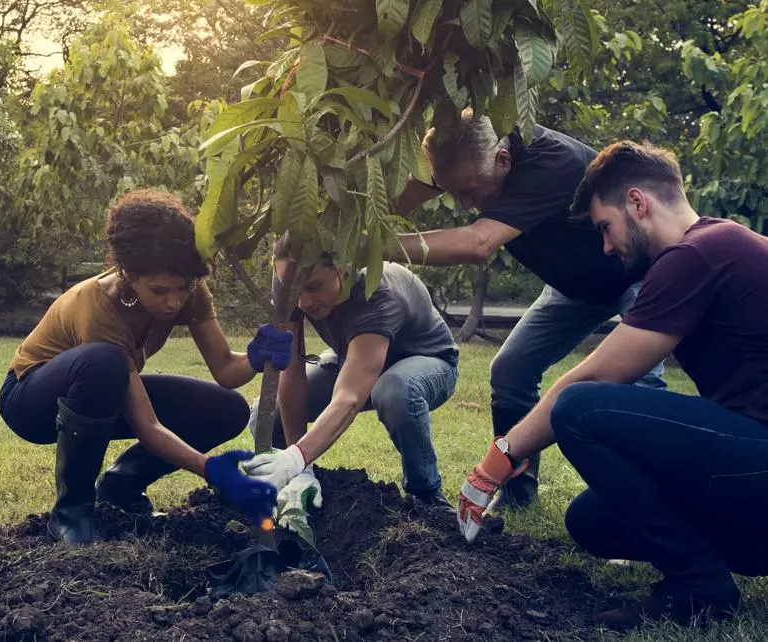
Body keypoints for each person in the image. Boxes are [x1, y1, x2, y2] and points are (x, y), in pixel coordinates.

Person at [457, 141, 768, 629]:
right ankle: (727, 554)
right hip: (752, 468)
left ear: (638, 204)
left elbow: (599, 375)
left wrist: (497, 459)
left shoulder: (696, 255)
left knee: (580, 409)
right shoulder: (714, 245)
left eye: (605, 227)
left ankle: (700, 586)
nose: (604, 247)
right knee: (592, 520)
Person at [389, 110, 666, 507]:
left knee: (640, 383)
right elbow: (399, 202)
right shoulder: (471, 155)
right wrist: (348, 229)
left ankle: (646, 503)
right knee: (510, 370)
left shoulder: (551, 161)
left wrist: (377, 246)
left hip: (635, 274)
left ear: (504, 160)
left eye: (470, 190)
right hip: (574, 287)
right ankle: (518, 491)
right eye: (453, 192)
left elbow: (478, 244)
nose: (467, 204)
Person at [0, 189, 291, 546]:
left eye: (182, 288)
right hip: (31, 401)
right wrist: (214, 471)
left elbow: (228, 371)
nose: (173, 301)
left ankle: (122, 486)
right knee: (104, 363)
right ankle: (71, 512)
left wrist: (257, 356)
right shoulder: (95, 307)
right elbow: (148, 426)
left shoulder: (189, 290)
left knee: (226, 410)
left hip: (105, 394)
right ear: (128, 274)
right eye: (159, 290)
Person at [241, 237, 459, 511]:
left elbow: (349, 396)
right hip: (352, 357)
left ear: (343, 268)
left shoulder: (375, 291)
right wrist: (301, 469)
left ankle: (427, 498)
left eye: (314, 287)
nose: (303, 301)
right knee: (267, 410)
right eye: (293, 290)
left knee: (395, 390)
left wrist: (297, 456)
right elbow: (291, 368)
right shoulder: (289, 279)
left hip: (425, 360)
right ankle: (293, 492)